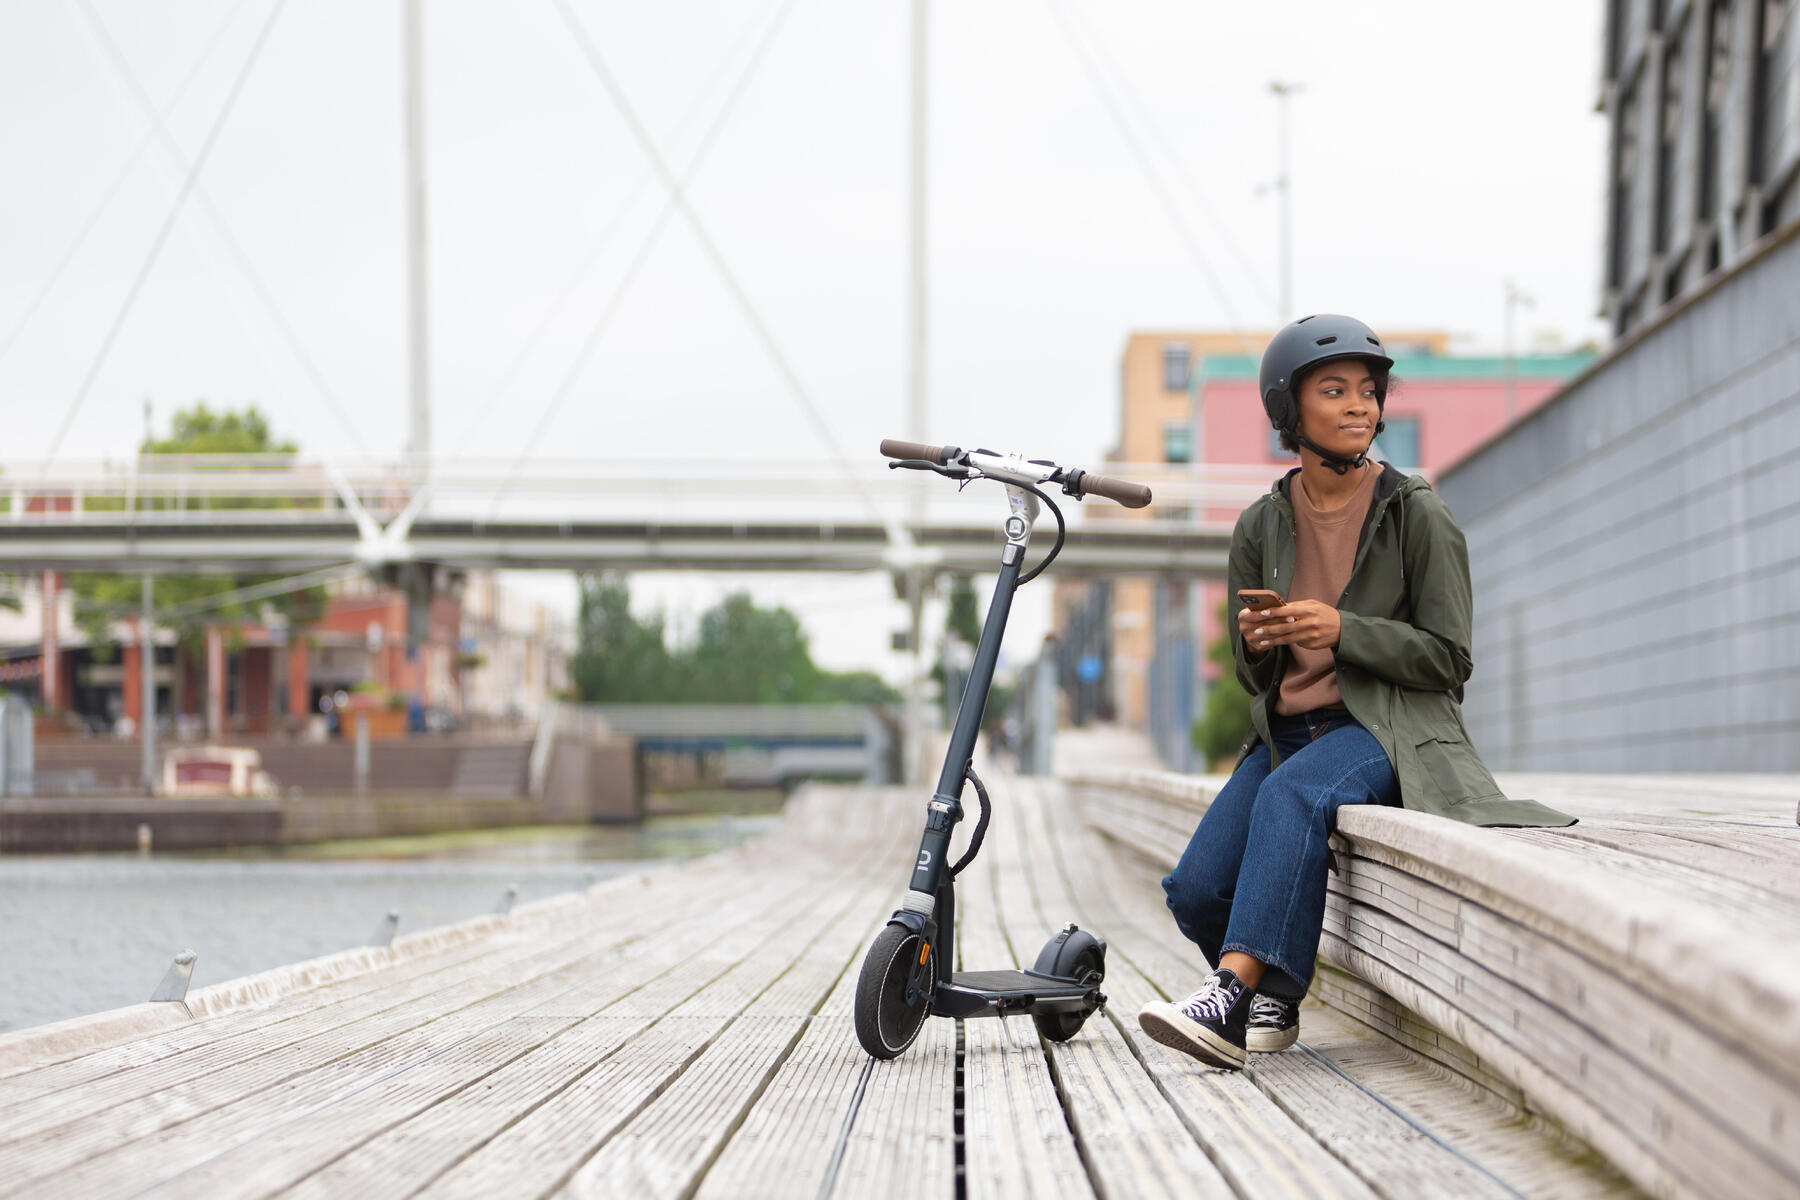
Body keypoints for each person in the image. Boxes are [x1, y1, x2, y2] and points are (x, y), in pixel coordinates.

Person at [1136, 314, 1574, 1072]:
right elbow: (1253, 679)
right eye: (1333, 390)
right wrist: (1261, 645)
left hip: (1383, 731)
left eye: (1369, 392)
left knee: (1292, 799)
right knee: (1196, 890)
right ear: (1288, 409)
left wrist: (1344, 630)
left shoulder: (1417, 513)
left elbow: (1449, 658)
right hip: (1286, 735)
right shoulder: (1258, 525)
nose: (1358, 406)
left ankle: (1225, 996)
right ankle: (1275, 997)